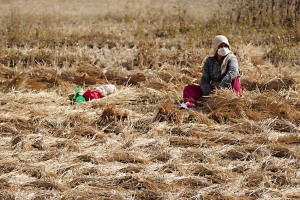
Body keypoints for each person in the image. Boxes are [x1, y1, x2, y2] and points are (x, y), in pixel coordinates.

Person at [181, 35, 242, 109]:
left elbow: (232, 72)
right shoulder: (210, 60)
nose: (223, 48)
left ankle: (232, 102)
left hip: (228, 90)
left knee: (235, 79)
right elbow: (205, 79)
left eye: (225, 46)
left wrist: (221, 88)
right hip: (213, 90)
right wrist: (209, 94)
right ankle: (190, 104)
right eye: (221, 46)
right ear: (216, 48)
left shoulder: (231, 58)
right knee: (189, 89)